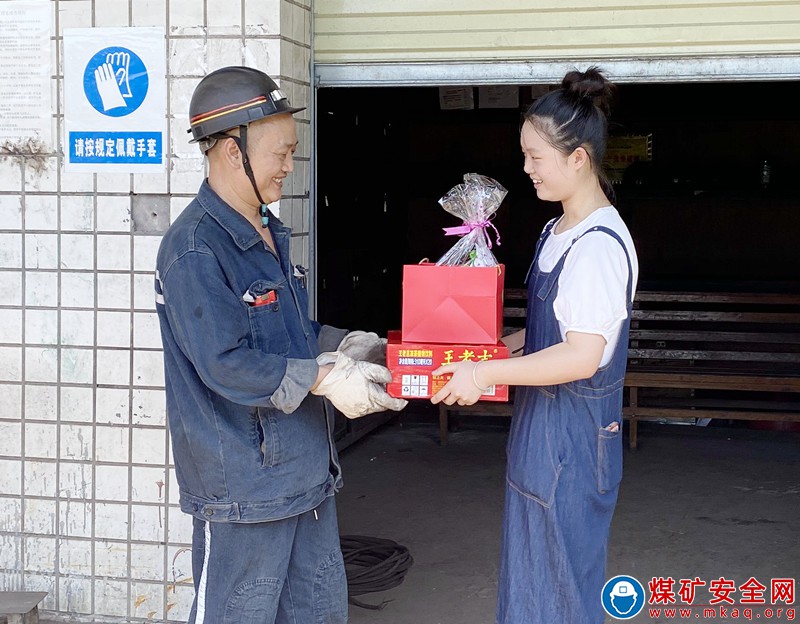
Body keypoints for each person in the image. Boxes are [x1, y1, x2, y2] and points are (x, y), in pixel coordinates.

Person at [155, 66, 406, 624]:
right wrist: (323, 377)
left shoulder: (267, 231)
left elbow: (292, 336)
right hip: (243, 492)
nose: (290, 168)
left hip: (307, 478)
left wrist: (355, 347)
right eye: (281, 154)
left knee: (317, 612)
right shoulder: (195, 250)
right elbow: (227, 363)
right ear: (229, 151)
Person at [431, 67, 639, 624]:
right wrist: (497, 346)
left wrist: (485, 376)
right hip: (539, 436)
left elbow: (581, 354)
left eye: (535, 157)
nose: (525, 169)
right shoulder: (557, 230)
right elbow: (554, 332)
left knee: (562, 592)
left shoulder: (597, 245)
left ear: (578, 159)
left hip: (573, 444)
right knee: (530, 584)